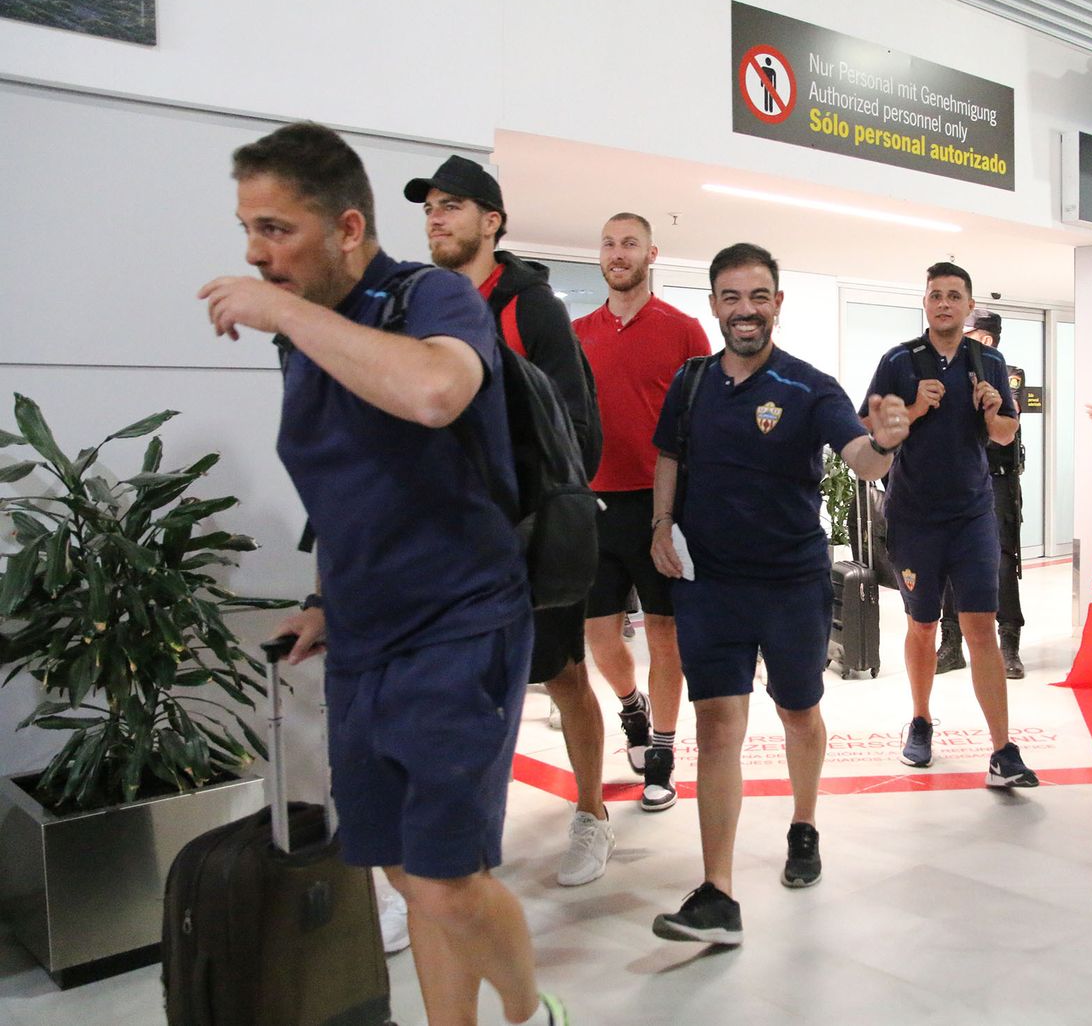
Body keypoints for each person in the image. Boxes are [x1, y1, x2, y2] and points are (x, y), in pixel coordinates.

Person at [202, 123, 564, 1025]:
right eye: (249, 227)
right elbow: (351, 485)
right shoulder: (312, 335)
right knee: (407, 869)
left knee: (444, 882)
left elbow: (437, 393)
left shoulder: (429, 296)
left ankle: (532, 1014)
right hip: (365, 633)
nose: (256, 252)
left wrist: (283, 310)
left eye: (278, 229)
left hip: (459, 624)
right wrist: (325, 601)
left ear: (350, 228)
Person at [647, 243, 910, 945]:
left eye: (758, 296)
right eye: (731, 297)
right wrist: (660, 523)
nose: (745, 310)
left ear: (777, 304)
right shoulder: (693, 381)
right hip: (711, 584)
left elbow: (856, 456)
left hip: (791, 584)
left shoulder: (808, 386)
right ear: (714, 305)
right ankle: (718, 894)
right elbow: (668, 454)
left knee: (799, 714)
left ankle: (803, 824)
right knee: (718, 727)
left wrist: (884, 444)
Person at [405, 155, 613, 888]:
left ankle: (592, 812)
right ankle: (449, 854)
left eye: (452, 206)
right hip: (448, 541)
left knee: (562, 675)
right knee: (457, 690)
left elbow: (574, 427)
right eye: (430, 206)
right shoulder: (421, 302)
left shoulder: (531, 306)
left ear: (491, 221)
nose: (436, 217)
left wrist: (544, 522)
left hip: (526, 534)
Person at [861, 262, 1037, 787]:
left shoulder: (990, 360)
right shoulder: (899, 361)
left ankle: (1003, 750)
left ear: (967, 305)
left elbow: (1005, 433)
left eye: (953, 295)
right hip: (914, 515)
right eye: (935, 294)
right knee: (922, 625)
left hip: (973, 515)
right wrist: (913, 410)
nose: (943, 303)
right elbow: (867, 425)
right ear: (926, 303)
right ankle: (920, 720)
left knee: (981, 627)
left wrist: (992, 412)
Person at [573, 213, 711, 811]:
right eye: (608, 243)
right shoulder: (578, 332)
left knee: (665, 634)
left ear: (652, 253)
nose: (617, 252)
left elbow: (705, 423)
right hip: (593, 505)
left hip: (660, 507)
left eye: (629, 243)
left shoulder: (684, 331)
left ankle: (661, 750)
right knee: (600, 637)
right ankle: (632, 706)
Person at [935, 308, 1027, 679]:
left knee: (1003, 559)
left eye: (967, 331)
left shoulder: (1007, 375)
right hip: (957, 480)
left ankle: (1009, 643)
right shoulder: (945, 372)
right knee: (950, 562)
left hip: (997, 479)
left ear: (985, 338)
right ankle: (952, 643)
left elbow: (1002, 423)